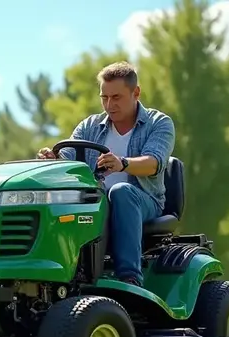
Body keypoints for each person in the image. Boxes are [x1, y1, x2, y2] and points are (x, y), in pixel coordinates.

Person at [37, 61, 175, 287]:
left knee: (121, 191)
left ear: (136, 92)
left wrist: (123, 164)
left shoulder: (159, 123)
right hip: (96, 201)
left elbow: (154, 162)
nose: (109, 104)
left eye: (117, 97)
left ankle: (130, 278)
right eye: (104, 98)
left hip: (144, 200)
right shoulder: (89, 126)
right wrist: (53, 160)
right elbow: (68, 158)